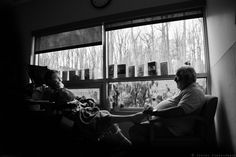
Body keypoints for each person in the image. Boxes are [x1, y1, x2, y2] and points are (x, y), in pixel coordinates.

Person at [33, 69, 145, 150]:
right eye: (56, 78)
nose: (60, 80)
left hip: (79, 112)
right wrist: (62, 91)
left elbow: (74, 98)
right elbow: (61, 102)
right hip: (73, 118)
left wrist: (85, 100)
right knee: (102, 116)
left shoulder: (62, 89)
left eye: (59, 78)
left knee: (105, 113)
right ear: (49, 81)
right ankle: (132, 120)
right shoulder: (50, 91)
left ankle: (126, 140)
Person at [129, 66, 206, 146]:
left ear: (186, 78)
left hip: (172, 129)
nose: (174, 79)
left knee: (135, 130)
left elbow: (178, 111)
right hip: (164, 124)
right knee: (136, 127)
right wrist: (153, 110)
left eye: (177, 77)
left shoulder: (194, 92)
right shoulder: (187, 90)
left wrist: (154, 112)